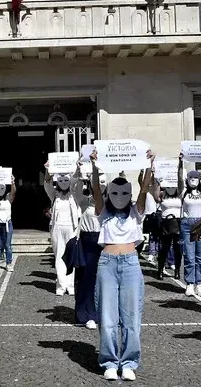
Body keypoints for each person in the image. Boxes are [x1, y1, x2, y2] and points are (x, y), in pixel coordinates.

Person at [91, 149, 153, 382]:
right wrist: (96, 166)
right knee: (107, 316)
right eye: (114, 192)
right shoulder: (103, 212)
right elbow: (96, 189)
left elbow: (145, 188)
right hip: (107, 263)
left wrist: (148, 163)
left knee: (131, 316)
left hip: (130, 264)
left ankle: (128, 362)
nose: (119, 196)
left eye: (123, 192)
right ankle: (108, 360)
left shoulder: (136, 212)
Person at [73, 166, 104, 329]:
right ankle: (86, 314)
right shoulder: (85, 201)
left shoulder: (111, 201)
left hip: (104, 241)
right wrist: (78, 174)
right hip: (88, 240)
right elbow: (76, 190)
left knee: (103, 279)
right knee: (86, 278)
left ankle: (101, 312)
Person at [44, 163, 81, 296]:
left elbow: (78, 180)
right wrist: (48, 169)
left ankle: (70, 285)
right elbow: (47, 182)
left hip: (71, 227)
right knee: (59, 256)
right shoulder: (54, 195)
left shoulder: (74, 194)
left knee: (71, 256)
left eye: (66, 180)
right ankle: (61, 285)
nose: (64, 183)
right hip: (57, 227)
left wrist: (77, 168)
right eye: (61, 181)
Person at [180, 157, 201, 297]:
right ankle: (190, 283)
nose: (193, 180)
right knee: (189, 255)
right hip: (187, 224)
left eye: (195, 177)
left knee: (200, 256)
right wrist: (180, 163)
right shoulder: (183, 192)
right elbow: (180, 178)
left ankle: (200, 283)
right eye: (190, 177)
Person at [155, 175, 183, 280]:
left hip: (177, 222)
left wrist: (180, 164)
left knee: (178, 249)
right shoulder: (163, 195)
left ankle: (177, 270)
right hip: (166, 223)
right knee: (164, 248)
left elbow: (180, 181)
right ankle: (160, 269)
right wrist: (158, 182)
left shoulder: (180, 195)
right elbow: (156, 196)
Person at [0, 177, 16, 272]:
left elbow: (13, 192)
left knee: (7, 245)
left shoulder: (8, 198)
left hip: (6, 224)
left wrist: (12, 182)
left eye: (2, 188)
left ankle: (9, 263)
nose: (0, 190)